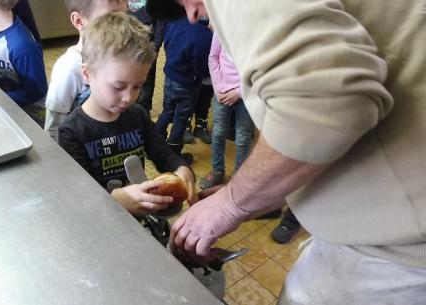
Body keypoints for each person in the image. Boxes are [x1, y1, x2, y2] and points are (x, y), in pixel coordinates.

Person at [146, 0, 426, 304]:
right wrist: (256, 191)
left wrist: (232, 203)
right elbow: (293, 97)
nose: (192, 15)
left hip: (395, 249)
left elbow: (325, 102)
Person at [58, 12, 196, 217]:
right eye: (118, 86)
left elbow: (163, 154)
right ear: (87, 75)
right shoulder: (71, 132)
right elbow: (80, 196)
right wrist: (114, 199)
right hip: (103, 220)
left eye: (137, 86)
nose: (128, 97)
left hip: (141, 217)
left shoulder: (137, 115)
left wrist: (181, 169)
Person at [44, 0, 128, 142]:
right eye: (110, 19)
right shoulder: (68, 69)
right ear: (79, 21)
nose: (122, 28)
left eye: (125, 18)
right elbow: (53, 127)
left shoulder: (120, 58)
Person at [199, 33, 255, 189]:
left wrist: (237, 93)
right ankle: (217, 170)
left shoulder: (255, 34)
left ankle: (239, 177)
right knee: (218, 133)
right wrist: (218, 89)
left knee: (243, 138)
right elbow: (213, 58)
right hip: (222, 92)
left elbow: (259, 73)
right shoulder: (221, 28)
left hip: (246, 95)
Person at [154, 16, 212, 164]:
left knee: (167, 111)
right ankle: (173, 152)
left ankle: (154, 144)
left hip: (169, 75)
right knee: (181, 119)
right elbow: (201, 64)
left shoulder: (174, 21)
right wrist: (200, 76)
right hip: (187, 83)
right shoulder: (204, 35)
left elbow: (167, 44)